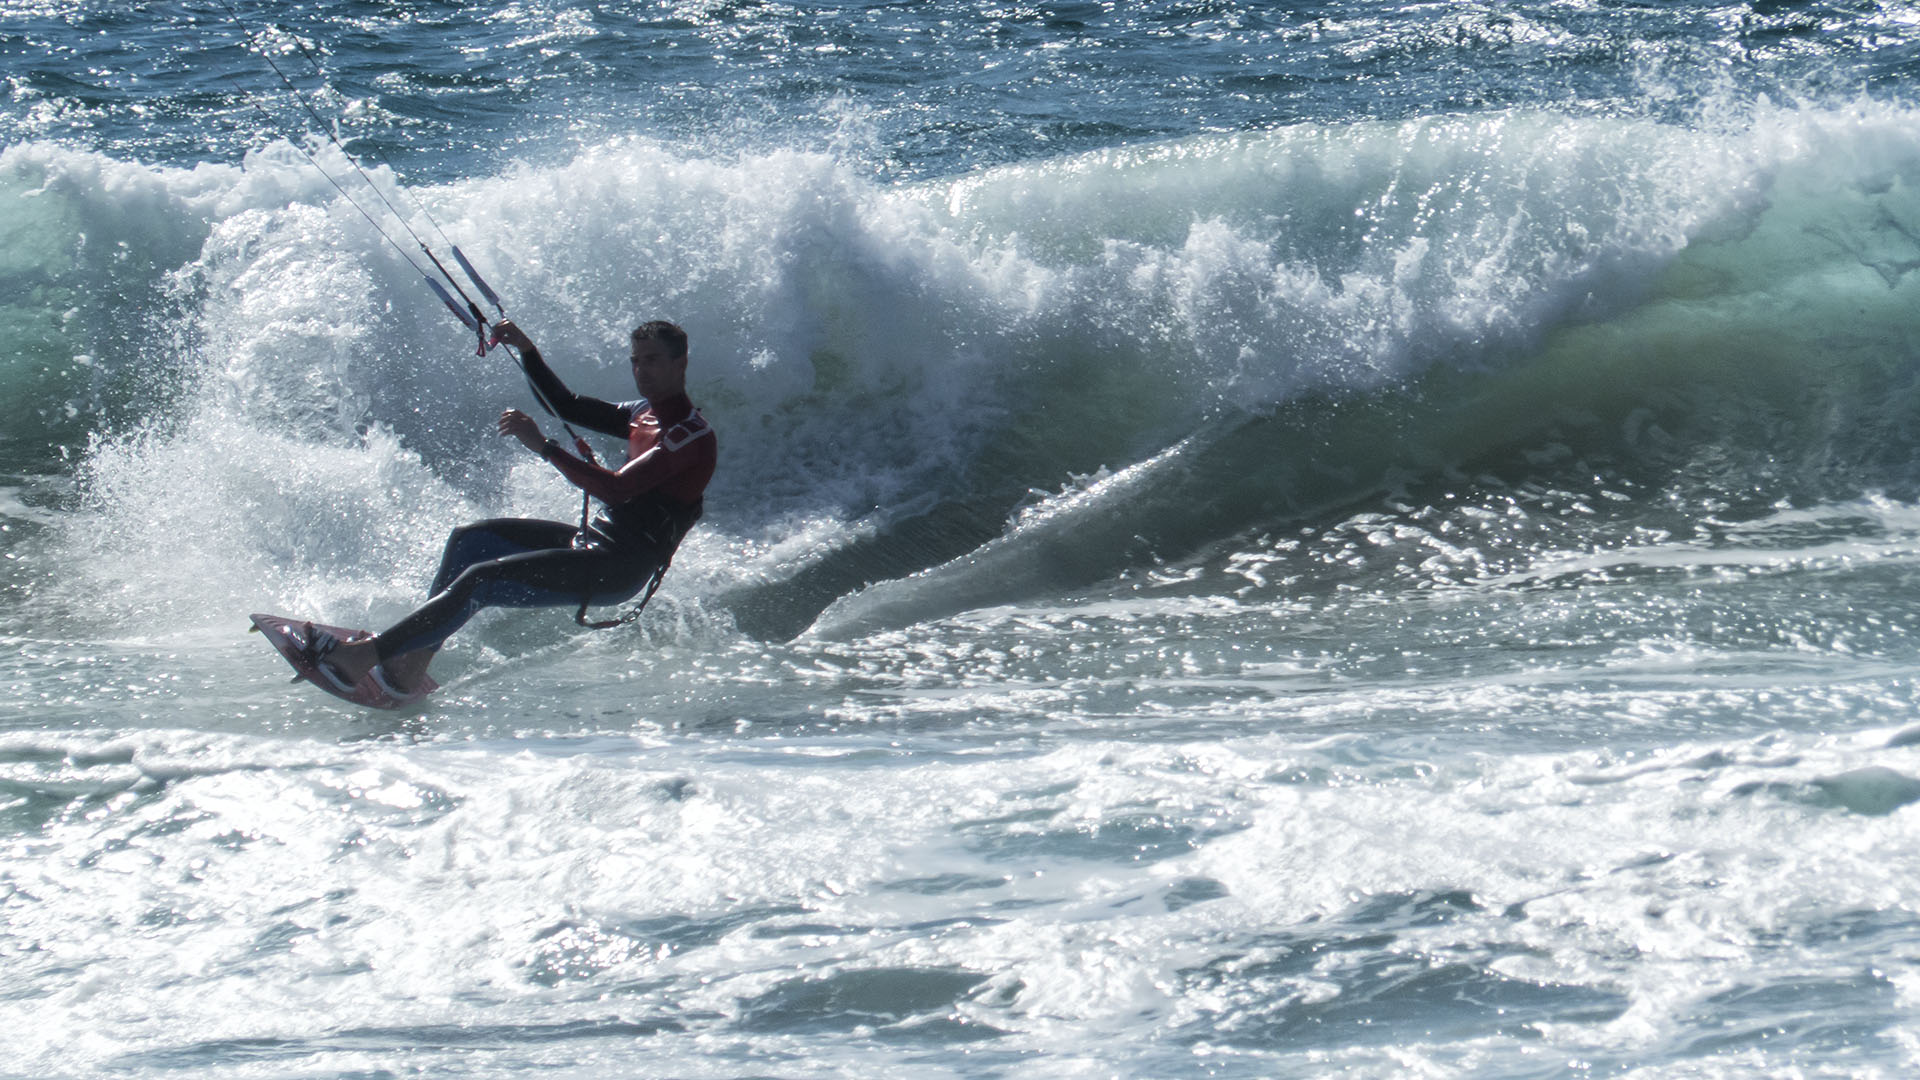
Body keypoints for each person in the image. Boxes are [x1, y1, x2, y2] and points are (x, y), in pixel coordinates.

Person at [311, 318, 717, 695]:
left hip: (618, 567)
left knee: (480, 581)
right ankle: (410, 664)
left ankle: (363, 657)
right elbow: (567, 405)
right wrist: (526, 349)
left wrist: (544, 447)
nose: (641, 371)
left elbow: (615, 490)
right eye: (635, 361)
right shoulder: (641, 414)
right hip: (592, 541)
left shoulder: (689, 437)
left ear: (681, 363)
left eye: (653, 361)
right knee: (472, 541)